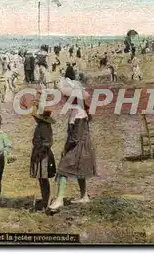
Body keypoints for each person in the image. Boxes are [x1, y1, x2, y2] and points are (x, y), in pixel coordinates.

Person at [49, 78, 97, 211]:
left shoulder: (77, 112)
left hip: (77, 147)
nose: (64, 99)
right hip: (83, 146)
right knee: (80, 170)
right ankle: (84, 196)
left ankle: (59, 200)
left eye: (66, 97)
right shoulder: (79, 109)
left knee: (62, 169)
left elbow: (75, 138)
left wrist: (66, 148)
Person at [30, 107, 57, 211]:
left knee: (43, 178)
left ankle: (46, 201)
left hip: (43, 156)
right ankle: (45, 199)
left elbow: (48, 142)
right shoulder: (40, 125)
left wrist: (40, 150)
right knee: (41, 178)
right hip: (38, 154)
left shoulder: (44, 127)